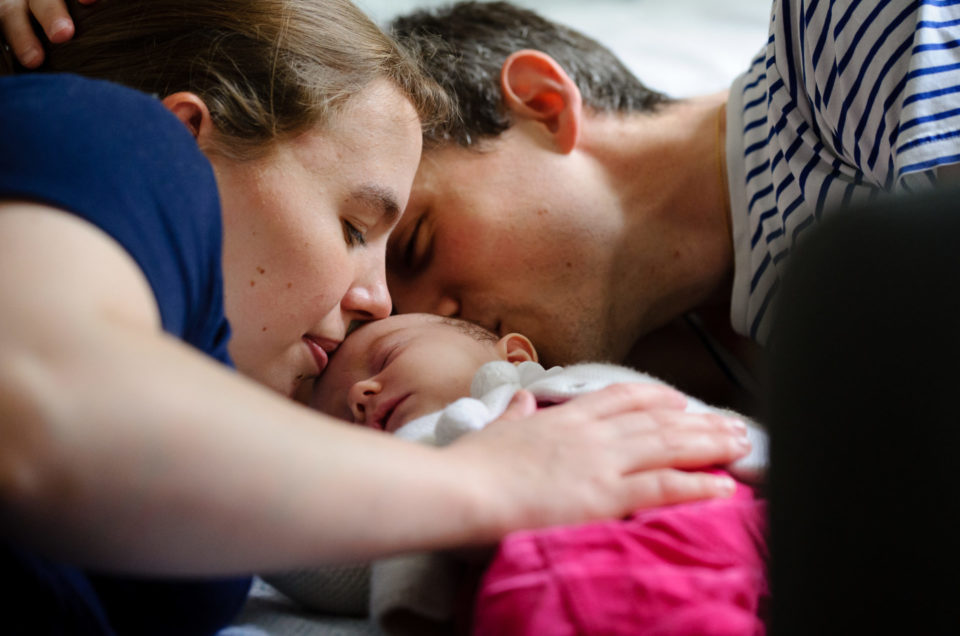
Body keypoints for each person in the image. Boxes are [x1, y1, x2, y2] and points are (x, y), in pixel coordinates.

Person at [0, 1, 752, 634]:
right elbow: (41, 418)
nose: (381, 303)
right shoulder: (108, 133)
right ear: (193, 136)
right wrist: (488, 485)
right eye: (356, 228)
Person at [384, 0, 960, 412]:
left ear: (543, 103)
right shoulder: (720, 388)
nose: (435, 320)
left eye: (417, 244)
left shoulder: (839, 43)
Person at [281, 312, 765, 636]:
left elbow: (712, 425)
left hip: (724, 517)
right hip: (566, 585)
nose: (359, 393)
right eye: (341, 426)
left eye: (386, 357)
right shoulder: (419, 466)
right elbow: (320, 553)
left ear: (513, 357)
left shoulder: (572, 385)